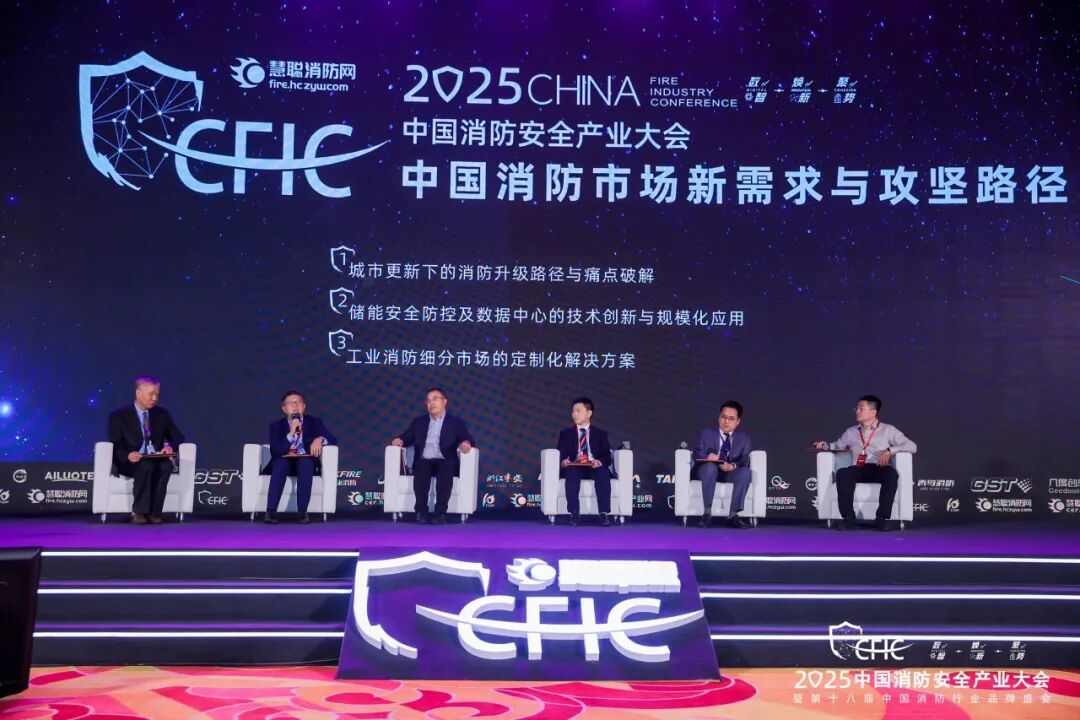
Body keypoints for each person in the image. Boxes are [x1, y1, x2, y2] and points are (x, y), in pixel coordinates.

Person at [813, 394, 917, 531]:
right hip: (859, 468)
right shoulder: (851, 432)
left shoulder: (888, 430)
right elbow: (837, 445)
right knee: (843, 473)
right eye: (856, 408)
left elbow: (912, 446)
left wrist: (890, 451)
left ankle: (882, 518)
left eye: (861, 408)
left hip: (879, 467)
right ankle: (849, 518)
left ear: (873, 412)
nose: (857, 411)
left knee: (891, 474)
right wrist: (824, 445)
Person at [107, 376, 185, 524]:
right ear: (138, 393)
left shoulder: (161, 414)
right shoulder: (119, 416)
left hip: (154, 458)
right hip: (131, 461)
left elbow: (178, 437)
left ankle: (155, 513)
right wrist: (128, 455)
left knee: (166, 466)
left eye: (157, 394)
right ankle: (139, 512)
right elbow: (116, 444)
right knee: (146, 465)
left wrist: (169, 447)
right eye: (151, 394)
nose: (155, 398)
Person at [391, 387, 475, 524]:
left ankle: (440, 513)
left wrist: (466, 443)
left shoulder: (455, 423)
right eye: (428, 400)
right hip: (425, 459)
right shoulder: (419, 422)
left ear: (444, 402)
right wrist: (400, 440)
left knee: (446, 467)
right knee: (421, 468)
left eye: (435, 399)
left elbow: (467, 438)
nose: (431, 403)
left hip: (445, 459)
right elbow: (407, 436)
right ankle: (421, 512)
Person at [263, 391, 337, 524]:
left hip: (304, 462)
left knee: (306, 462)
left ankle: (302, 512)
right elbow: (276, 451)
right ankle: (271, 511)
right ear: (284, 409)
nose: (295, 405)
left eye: (298, 402)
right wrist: (291, 432)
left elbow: (332, 439)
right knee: (280, 463)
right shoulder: (276, 426)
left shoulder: (314, 422)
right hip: (283, 461)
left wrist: (320, 439)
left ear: (304, 407)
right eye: (291, 403)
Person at [693, 401, 754, 529]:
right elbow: (697, 454)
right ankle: (707, 513)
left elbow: (743, 461)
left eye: (731, 419)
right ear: (719, 417)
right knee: (710, 467)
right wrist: (707, 458)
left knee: (745, 472)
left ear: (737, 422)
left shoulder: (744, 439)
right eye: (724, 417)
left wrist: (732, 466)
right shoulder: (706, 433)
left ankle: (733, 515)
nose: (726, 421)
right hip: (707, 471)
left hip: (728, 473)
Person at [557, 397, 614, 527]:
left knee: (603, 472)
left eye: (578, 411)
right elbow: (560, 454)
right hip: (575, 465)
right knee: (571, 472)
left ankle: (603, 514)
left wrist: (598, 462)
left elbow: (607, 456)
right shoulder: (565, 433)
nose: (574, 414)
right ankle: (574, 513)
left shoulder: (600, 433)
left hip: (594, 466)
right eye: (573, 411)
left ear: (589, 413)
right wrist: (563, 462)